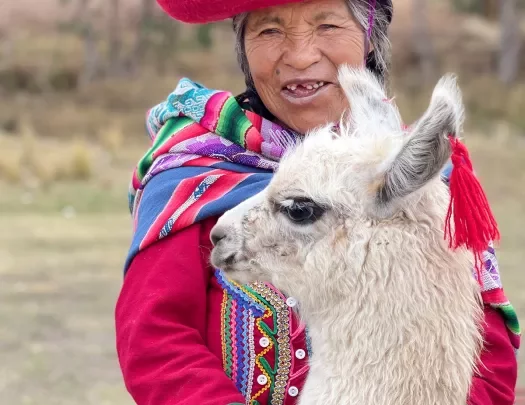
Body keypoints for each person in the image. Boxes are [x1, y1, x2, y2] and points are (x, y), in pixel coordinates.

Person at [115, 1, 520, 404]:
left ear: (370, 39)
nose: (301, 55)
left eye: (327, 25)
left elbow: (489, 355)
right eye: (269, 32)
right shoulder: (192, 177)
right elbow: (155, 339)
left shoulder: (422, 185)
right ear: (243, 50)